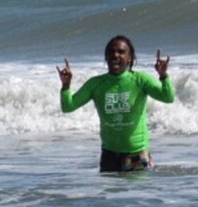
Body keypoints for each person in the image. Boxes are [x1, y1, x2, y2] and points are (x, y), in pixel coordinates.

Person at [57, 35, 176, 172]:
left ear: (130, 57)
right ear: (106, 57)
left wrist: (163, 76)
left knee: (139, 193)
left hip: (137, 154)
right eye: (112, 52)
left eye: (121, 52)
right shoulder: (96, 84)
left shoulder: (140, 80)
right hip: (109, 156)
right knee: (109, 193)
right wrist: (66, 86)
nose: (115, 55)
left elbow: (168, 97)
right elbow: (68, 107)